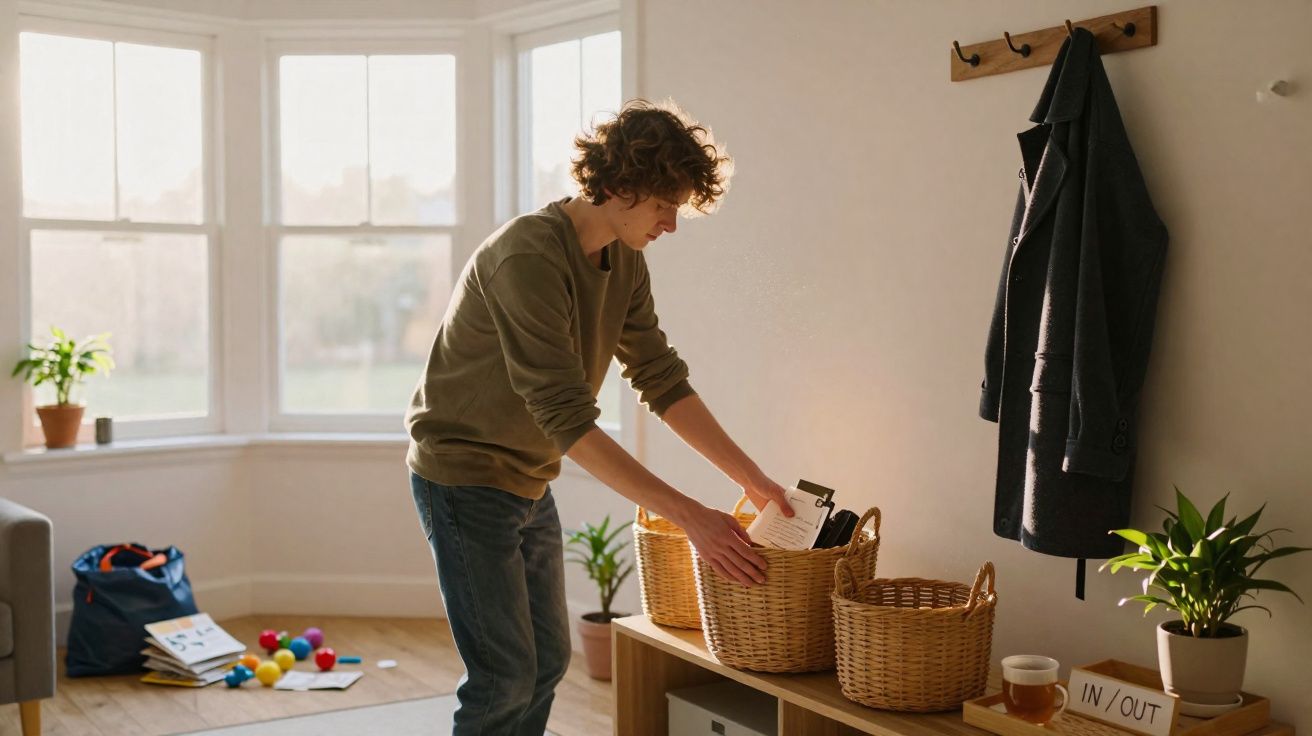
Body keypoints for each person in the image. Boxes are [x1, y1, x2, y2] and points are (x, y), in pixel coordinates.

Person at [404, 98, 792, 735]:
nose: (671, 222)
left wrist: (753, 481)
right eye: (664, 204)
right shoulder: (527, 257)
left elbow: (661, 378)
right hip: (464, 478)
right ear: (616, 185)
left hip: (528, 479)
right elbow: (566, 416)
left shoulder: (624, 261)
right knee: (503, 678)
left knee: (548, 661)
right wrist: (693, 517)